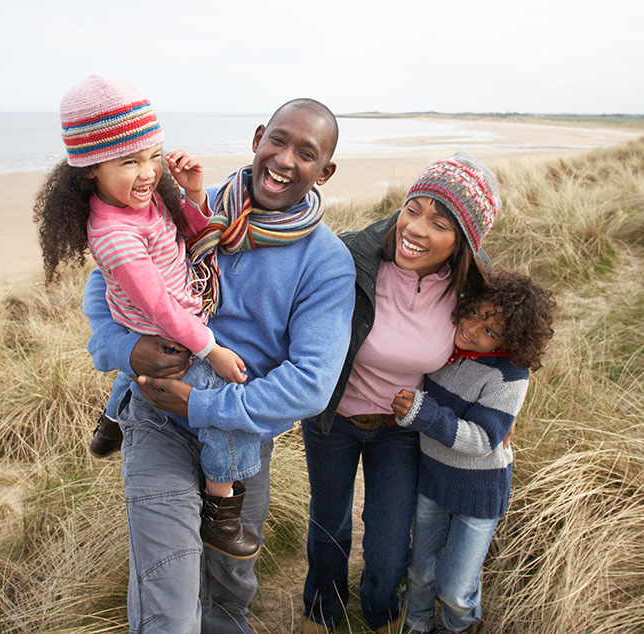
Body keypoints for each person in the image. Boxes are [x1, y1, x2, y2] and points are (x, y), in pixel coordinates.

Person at [81, 97, 356, 634]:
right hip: (158, 421)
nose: (284, 159)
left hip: (241, 439)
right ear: (258, 138)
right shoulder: (190, 213)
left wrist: (205, 402)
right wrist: (123, 351)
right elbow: (104, 287)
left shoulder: (325, 262)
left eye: (306, 153)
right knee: (170, 606)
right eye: (278, 140)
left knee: (232, 587)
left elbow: (311, 385)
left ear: (325, 171)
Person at [33, 74, 263, 559]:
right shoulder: (115, 236)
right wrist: (212, 350)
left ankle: (112, 420)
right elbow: (159, 308)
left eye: (153, 155)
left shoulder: (147, 195)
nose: (146, 172)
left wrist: (193, 191)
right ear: (90, 168)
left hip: (164, 317)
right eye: (128, 161)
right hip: (170, 329)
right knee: (226, 407)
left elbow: (195, 235)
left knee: (150, 369)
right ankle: (221, 512)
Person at [300, 151, 502, 634]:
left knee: (390, 543)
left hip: (403, 429)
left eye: (440, 222)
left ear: (463, 242)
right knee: (330, 524)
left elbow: (507, 349)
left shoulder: (474, 288)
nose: (416, 228)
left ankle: (379, 612)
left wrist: (502, 412)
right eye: (413, 208)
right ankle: (322, 609)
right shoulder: (352, 256)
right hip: (333, 421)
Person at [393, 270, 556, 634]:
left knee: (455, 587)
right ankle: (416, 623)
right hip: (433, 479)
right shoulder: (445, 348)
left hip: (478, 492)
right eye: (475, 314)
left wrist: (425, 415)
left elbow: (483, 439)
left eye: (490, 333)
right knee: (420, 570)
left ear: (511, 343)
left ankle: (455, 627)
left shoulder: (509, 375)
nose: (473, 330)